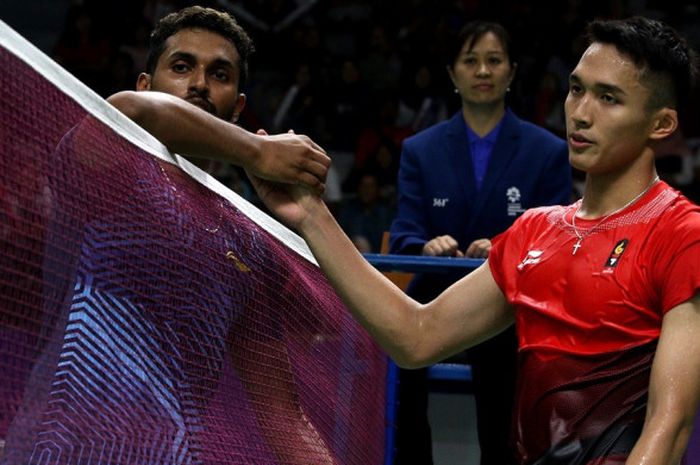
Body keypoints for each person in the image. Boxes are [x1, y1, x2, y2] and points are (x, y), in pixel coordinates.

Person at [250, 16, 700, 465]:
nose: (580, 113)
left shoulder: (682, 233)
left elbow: (669, 426)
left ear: (661, 124)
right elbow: (416, 337)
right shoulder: (534, 231)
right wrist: (311, 214)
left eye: (609, 98)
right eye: (577, 89)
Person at [388, 21, 571, 465]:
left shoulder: (547, 150)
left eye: (493, 60)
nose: (482, 71)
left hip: (509, 299)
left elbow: (559, 236)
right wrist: (427, 246)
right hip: (435, 296)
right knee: (398, 353)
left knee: (502, 403)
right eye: (470, 61)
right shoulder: (420, 149)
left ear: (510, 72)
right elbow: (405, 231)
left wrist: (506, 246)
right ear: (452, 74)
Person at [107, 6, 330, 192]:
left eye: (219, 75)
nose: (200, 84)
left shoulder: (237, 223)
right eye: (181, 67)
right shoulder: (107, 158)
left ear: (237, 107)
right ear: (144, 87)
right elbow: (128, 110)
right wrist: (258, 151)